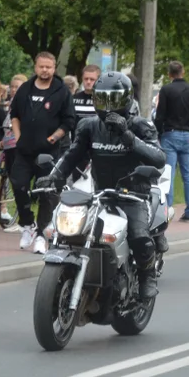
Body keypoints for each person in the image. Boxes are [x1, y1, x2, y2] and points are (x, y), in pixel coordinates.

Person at [36, 72, 166, 302]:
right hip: (100, 195)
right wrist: (53, 176)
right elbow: (72, 155)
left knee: (138, 236)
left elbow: (158, 158)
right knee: (67, 231)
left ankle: (147, 276)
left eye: (113, 100)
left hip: (134, 195)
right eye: (102, 99)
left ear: (126, 99)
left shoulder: (141, 125)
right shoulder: (88, 126)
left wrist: (127, 136)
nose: (107, 107)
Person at [9, 52, 76, 253]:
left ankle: (41, 235)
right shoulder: (25, 89)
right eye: (41, 66)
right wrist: (18, 137)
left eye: (49, 67)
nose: (45, 70)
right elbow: (15, 115)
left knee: (47, 193)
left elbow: (69, 121)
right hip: (24, 150)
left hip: (48, 152)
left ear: (54, 68)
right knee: (18, 184)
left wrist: (53, 138)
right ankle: (27, 224)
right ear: (35, 67)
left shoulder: (61, 91)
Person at [154, 61, 189, 221]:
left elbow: (160, 115)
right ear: (183, 72)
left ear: (170, 74)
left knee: (168, 173)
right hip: (187, 136)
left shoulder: (166, 90)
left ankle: (167, 210)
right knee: (187, 175)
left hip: (170, 134)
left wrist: (157, 134)